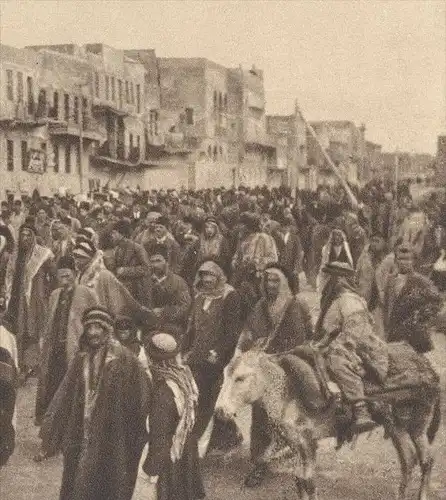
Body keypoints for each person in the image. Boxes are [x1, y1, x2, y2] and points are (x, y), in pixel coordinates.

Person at [37, 307, 150, 500]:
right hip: (81, 433)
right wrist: (51, 433)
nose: (93, 333)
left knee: (108, 484)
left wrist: (134, 434)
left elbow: (142, 398)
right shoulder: (80, 359)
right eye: (89, 328)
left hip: (112, 436)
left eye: (98, 327)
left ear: (107, 330)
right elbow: (64, 396)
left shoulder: (125, 360)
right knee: (77, 484)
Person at [236, 265, 313, 488]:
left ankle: (295, 457)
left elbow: (308, 336)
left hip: (289, 369)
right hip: (264, 371)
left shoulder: (297, 305)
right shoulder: (259, 306)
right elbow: (248, 333)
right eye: (267, 280)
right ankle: (260, 463)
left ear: (285, 283)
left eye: (275, 281)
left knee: (290, 418)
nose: (271, 285)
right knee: (260, 417)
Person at [314, 261, 389, 433]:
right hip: (349, 342)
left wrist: (335, 345)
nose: (324, 281)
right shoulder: (339, 300)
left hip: (363, 347)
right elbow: (332, 330)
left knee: (336, 360)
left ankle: (360, 409)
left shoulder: (349, 301)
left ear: (338, 280)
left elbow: (357, 333)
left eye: (327, 277)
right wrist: (319, 344)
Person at [35, 256, 98, 425]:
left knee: (74, 390)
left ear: (75, 274)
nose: (64, 280)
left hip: (76, 350)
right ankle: (52, 430)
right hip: (55, 350)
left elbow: (96, 320)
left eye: (68, 276)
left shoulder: (87, 293)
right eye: (61, 276)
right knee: (53, 389)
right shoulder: (55, 295)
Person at [142, 331, 205, 500]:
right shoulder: (184, 376)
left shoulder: (163, 390)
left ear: (152, 359)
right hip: (187, 447)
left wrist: (152, 467)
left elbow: (160, 435)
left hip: (171, 455)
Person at [183, 260, 242, 440]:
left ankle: (216, 437)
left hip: (217, 356)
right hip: (198, 354)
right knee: (197, 394)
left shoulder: (229, 296)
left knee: (212, 397)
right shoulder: (200, 296)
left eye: (211, 275)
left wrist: (218, 352)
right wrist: (184, 349)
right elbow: (192, 327)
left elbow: (232, 331)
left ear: (218, 276)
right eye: (204, 276)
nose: (207, 280)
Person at [2, 217, 55, 379]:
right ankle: (21, 365)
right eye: (22, 235)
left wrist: (46, 293)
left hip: (35, 301)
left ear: (34, 236)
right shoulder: (16, 256)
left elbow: (54, 277)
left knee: (35, 332)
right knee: (20, 331)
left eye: (28, 235)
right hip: (18, 300)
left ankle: (34, 364)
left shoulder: (43, 255)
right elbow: (9, 277)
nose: (25, 238)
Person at [383, 245, 442, 353]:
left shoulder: (422, 281)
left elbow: (437, 302)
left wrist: (418, 317)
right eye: (401, 258)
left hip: (414, 336)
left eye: (407, 259)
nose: (404, 262)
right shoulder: (390, 280)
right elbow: (388, 305)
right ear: (396, 260)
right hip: (394, 333)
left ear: (413, 261)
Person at [143, 243, 191, 342]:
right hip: (149, 327)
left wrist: (163, 311)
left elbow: (185, 307)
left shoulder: (178, 282)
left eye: (158, 261)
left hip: (172, 328)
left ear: (166, 262)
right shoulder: (145, 281)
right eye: (152, 261)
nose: (155, 265)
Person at [108, 218, 151, 302]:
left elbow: (147, 269)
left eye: (114, 233)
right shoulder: (117, 248)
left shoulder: (137, 248)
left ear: (122, 234)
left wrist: (126, 271)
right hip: (124, 289)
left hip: (138, 291)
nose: (112, 236)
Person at [317, 228, 353, 292]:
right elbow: (325, 262)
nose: (337, 238)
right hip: (331, 273)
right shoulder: (327, 248)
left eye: (339, 235)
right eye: (335, 235)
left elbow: (349, 262)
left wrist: (340, 264)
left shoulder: (345, 246)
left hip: (343, 273)